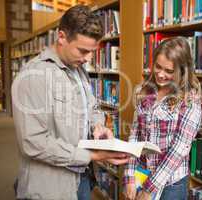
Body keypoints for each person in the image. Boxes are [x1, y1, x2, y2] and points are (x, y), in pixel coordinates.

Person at [11, 5, 129, 200]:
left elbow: (90, 107)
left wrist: (97, 126)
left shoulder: (78, 70)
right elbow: (32, 142)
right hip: (51, 188)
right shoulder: (34, 76)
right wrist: (92, 155)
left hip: (81, 177)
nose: (88, 58)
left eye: (92, 51)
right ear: (62, 37)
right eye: (83, 50)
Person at [123, 37, 202, 200]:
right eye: (157, 67)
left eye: (168, 71)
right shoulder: (144, 90)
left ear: (181, 71)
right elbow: (135, 135)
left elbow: (178, 150)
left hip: (171, 184)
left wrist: (149, 189)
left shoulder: (189, 101)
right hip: (142, 174)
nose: (160, 74)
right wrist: (130, 175)